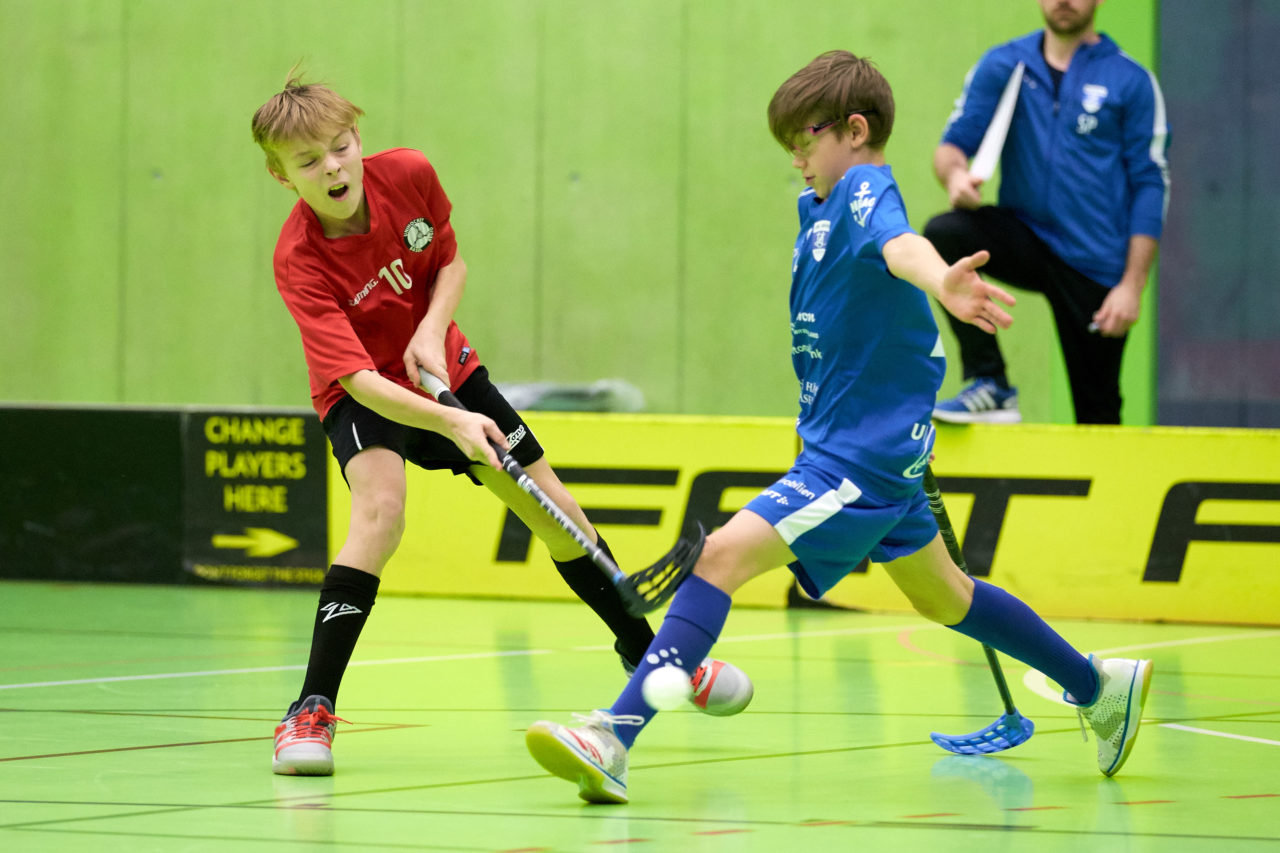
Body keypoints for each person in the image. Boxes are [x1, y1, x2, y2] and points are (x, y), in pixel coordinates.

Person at [524, 50, 1153, 804]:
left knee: (718, 557)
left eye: (806, 138)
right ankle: (1098, 686)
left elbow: (900, 244)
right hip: (855, 444)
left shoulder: (862, 191)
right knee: (946, 596)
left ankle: (612, 738)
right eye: (789, 143)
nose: (797, 158)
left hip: (861, 462)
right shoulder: (817, 208)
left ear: (855, 131)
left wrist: (941, 280)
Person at [249, 74, 753, 776]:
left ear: (357, 138)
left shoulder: (408, 174)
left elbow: (449, 259)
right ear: (281, 175)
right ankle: (309, 709)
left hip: (447, 369)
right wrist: (450, 424)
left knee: (557, 515)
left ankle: (649, 654)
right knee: (380, 514)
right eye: (308, 161)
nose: (332, 167)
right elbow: (359, 379)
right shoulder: (299, 257)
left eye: (340, 147)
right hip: (367, 396)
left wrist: (430, 333)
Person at [926, 0, 1169, 425]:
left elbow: (1150, 184)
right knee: (944, 234)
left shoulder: (1131, 80)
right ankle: (990, 384)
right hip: (1027, 236)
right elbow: (952, 146)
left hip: (1096, 267)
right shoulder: (1004, 64)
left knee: (1098, 415)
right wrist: (955, 178)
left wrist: (1132, 285)